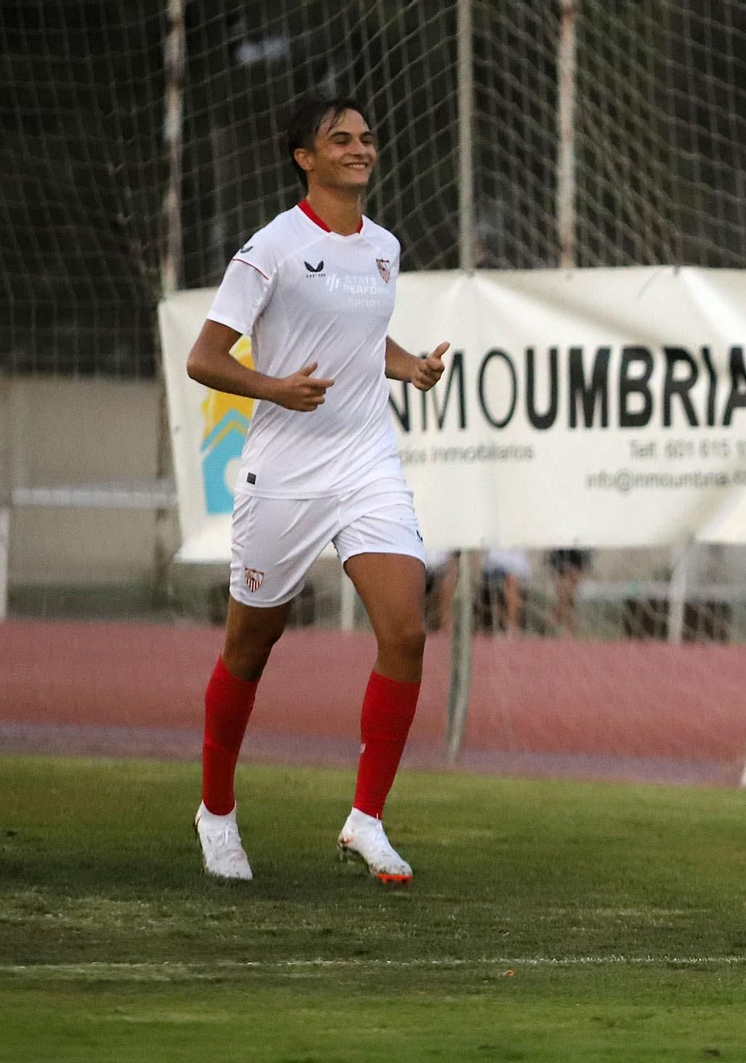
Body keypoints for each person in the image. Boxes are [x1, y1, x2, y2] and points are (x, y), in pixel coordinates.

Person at [185, 96, 449, 885]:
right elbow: (204, 356)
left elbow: (366, 341)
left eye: (367, 137)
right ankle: (216, 811)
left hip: (367, 461)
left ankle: (366, 818)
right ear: (305, 156)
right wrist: (274, 386)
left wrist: (409, 366)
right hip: (286, 470)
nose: (360, 149)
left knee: (405, 630)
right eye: (341, 139)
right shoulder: (271, 247)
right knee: (250, 645)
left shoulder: (384, 247)